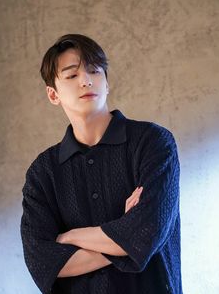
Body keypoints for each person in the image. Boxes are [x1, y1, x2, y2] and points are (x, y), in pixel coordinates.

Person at [20, 34, 182, 294]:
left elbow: (149, 233)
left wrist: (71, 237)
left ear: (106, 84)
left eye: (95, 71)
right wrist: (128, 239)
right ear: (53, 94)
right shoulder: (43, 172)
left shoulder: (153, 142)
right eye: (72, 76)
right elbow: (42, 263)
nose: (86, 80)